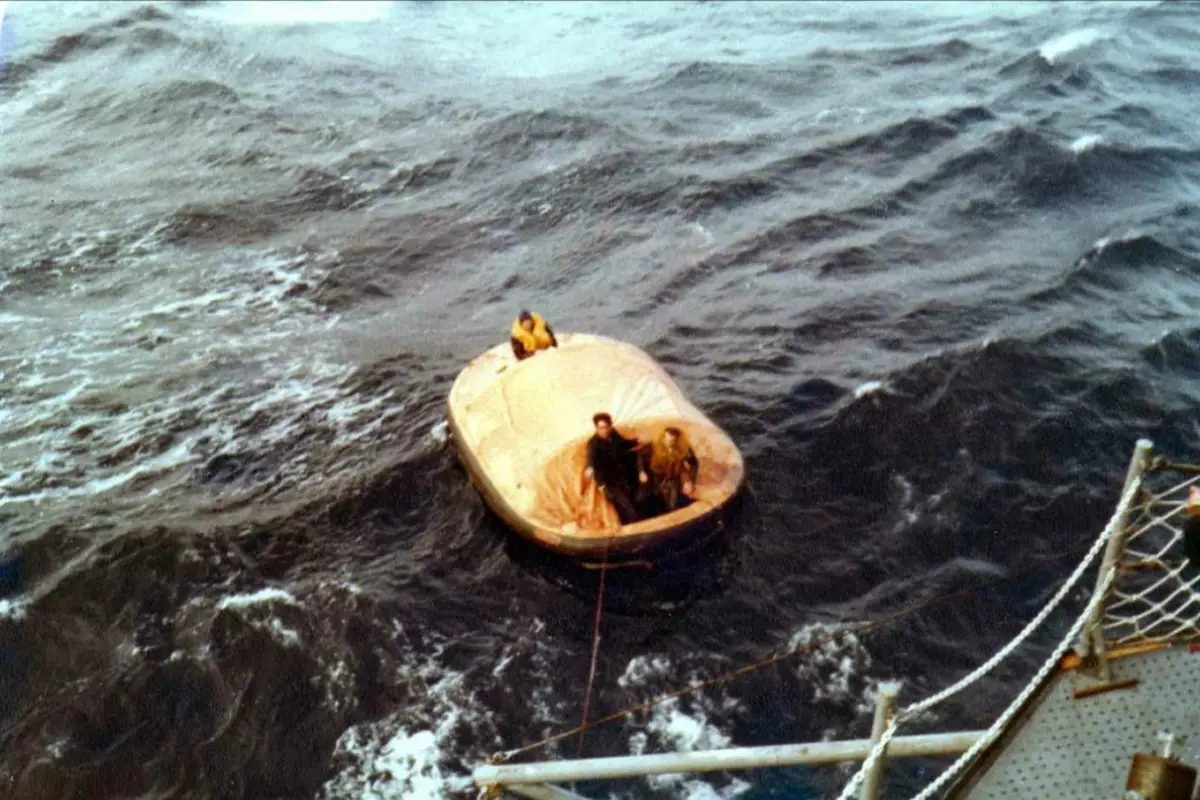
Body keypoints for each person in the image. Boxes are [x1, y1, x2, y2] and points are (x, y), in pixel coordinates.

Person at [583, 412, 643, 525]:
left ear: (610, 426)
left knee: (633, 501)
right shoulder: (593, 444)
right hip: (609, 483)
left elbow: (622, 444)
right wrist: (589, 468)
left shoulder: (613, 434)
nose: (604, 430)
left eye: (606, 427)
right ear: (596, 428)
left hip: (621, 477)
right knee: (628, 509)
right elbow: (590, 459)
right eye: (601, 428)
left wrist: (635, 441)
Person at [637, 425, 699, 516]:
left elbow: (694, 463)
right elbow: (640, 456)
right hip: (656, 478)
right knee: (647, 501)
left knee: (672, 505)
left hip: (673, 478)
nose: (669, 441)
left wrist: (690, 481)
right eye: (668, 438)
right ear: (664, 436)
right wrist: (641, 471)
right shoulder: (654, 445)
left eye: (673, 439)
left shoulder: (683, 448)